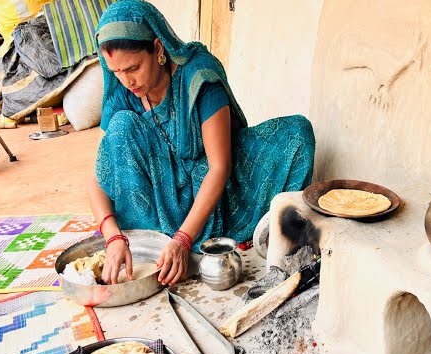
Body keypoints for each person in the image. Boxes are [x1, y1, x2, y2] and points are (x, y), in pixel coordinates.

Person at [88, 0, 315, 286]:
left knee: (297, 134)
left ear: (158, 49)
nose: (126, 81)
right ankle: (154, 242)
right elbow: (100, 176)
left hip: (220, 189)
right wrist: (114, 237)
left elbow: (219, 167)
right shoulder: (123, 89)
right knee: (121, 126)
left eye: (133, 68)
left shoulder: (198, 76)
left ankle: (196, 236)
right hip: (158, 198)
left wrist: (183, 240)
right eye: (116, 71)